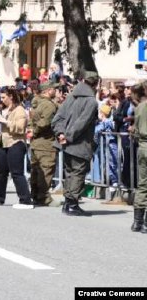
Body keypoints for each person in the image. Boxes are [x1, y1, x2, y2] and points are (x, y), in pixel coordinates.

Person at [52, 70, 101, 216]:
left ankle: (68, 203)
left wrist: (61, 134)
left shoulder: (71, 97)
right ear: (96, 84)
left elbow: (58, 119)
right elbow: (82, 123)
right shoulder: (91, 101)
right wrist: (67, 135)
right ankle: (72, 204)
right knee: (78, 173)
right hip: (79, 143)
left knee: (69, 172)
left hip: (66, 142)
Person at [0, 87, 33, 208]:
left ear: (11, 96)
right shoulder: (3, 109)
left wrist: (4, 121)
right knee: (1, 172)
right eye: (1, 97)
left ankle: (25, 200)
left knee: (16, 173)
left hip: (16, 143)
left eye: (3, 97)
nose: (1, 100)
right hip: (3, 143)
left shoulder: (19, 110)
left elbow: (20, 127)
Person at [29, 81, 59, 206]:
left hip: (36, 143)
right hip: (46, 142)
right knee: (45, 170)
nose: (56, 91)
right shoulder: (49, 105)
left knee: (36, 170)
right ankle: (43, 197)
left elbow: (32, 120)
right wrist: (35, 132)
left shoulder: (37, 103)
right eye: (54, 89)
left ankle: (35, 194)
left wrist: (32, 132)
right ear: (48, 90)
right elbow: (45, 122)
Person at [128, 83, 147, 233]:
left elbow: (134, 129)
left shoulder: (139, 107)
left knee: (142, 184)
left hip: (142, 146)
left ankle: (137, 222)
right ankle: (145, 223)